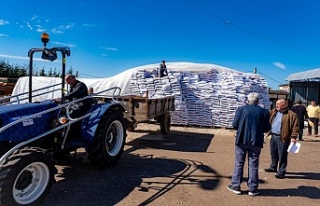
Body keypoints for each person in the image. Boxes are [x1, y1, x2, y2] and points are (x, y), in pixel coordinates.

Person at [227, 92, 270, 196]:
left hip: (241, 139)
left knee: (239, 163)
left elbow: (234, 124)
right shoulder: (264, 112)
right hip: (256, 141)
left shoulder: (241, 109)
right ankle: (252, 188)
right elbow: (266, 128)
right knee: (253, 165)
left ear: (247, 100)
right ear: (258, 101)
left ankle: (236, 185)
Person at [264, 99, 299, 179]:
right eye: (276, 104)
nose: (276, 106)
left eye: (278, 104)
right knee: (273, 153)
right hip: (273, 136)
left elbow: (296, 127)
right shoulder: (274, 112)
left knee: (282, 155)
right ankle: (273, 167)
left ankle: (281, 172)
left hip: (283, 138)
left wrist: (293, 137)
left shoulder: (291, 115)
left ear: (284, 105)